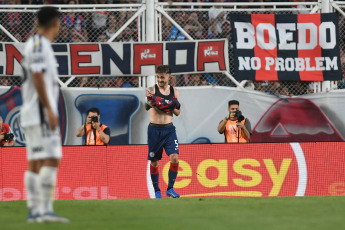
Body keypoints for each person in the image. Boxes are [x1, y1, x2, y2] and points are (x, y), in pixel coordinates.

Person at [20, 7, 69, 223]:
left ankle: (35, 211)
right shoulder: (39, 45)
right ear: (56, 23)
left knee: (36, 160)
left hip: (32, 111)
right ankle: (44, 210)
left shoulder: (36, 44)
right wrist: (49, 107)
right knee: (51, 158)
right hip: (39, 111)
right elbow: (38, 75)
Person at [145, 65, 181, 199]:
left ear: (169, 77)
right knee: (155, 162)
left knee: (175, 158)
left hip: (169, 130)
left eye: (162, 77)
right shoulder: (151, 90)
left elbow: (177, 112)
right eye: (158, 77)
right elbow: (145, 107)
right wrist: (150, 100)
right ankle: (157, 191)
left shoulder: (175, 91)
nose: (160, 79)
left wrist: (162, 104)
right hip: (154, 130)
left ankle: (170, 189)